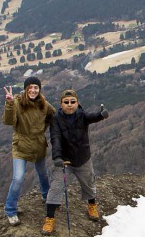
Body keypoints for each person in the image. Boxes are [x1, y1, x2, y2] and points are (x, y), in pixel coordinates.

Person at [41, 89, 109, 235]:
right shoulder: (56, 119)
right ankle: (49, 218)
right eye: (66, 102)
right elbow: (55, 138)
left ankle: (92, 205)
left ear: (78, 103)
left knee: (89, 184)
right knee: (56, 187)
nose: (70, 105)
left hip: (83, 158)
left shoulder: (81, 115)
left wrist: (101, 115)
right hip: (64, 160)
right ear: (61, 104)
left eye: (73, 102)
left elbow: (92, 116)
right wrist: (57, 157)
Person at [1, 76, 56, 226]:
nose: (33, 90)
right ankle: (10, 210)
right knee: (18, 178)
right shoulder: (17, 102)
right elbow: (8, 121)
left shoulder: (43, 104)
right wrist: (9, 103)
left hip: (38, 144)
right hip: (21, 145)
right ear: (25, 89)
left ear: (39, 89)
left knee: (43, 173)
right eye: (30, 87)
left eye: (36, 88)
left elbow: (54, 115)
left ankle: (47, 198)